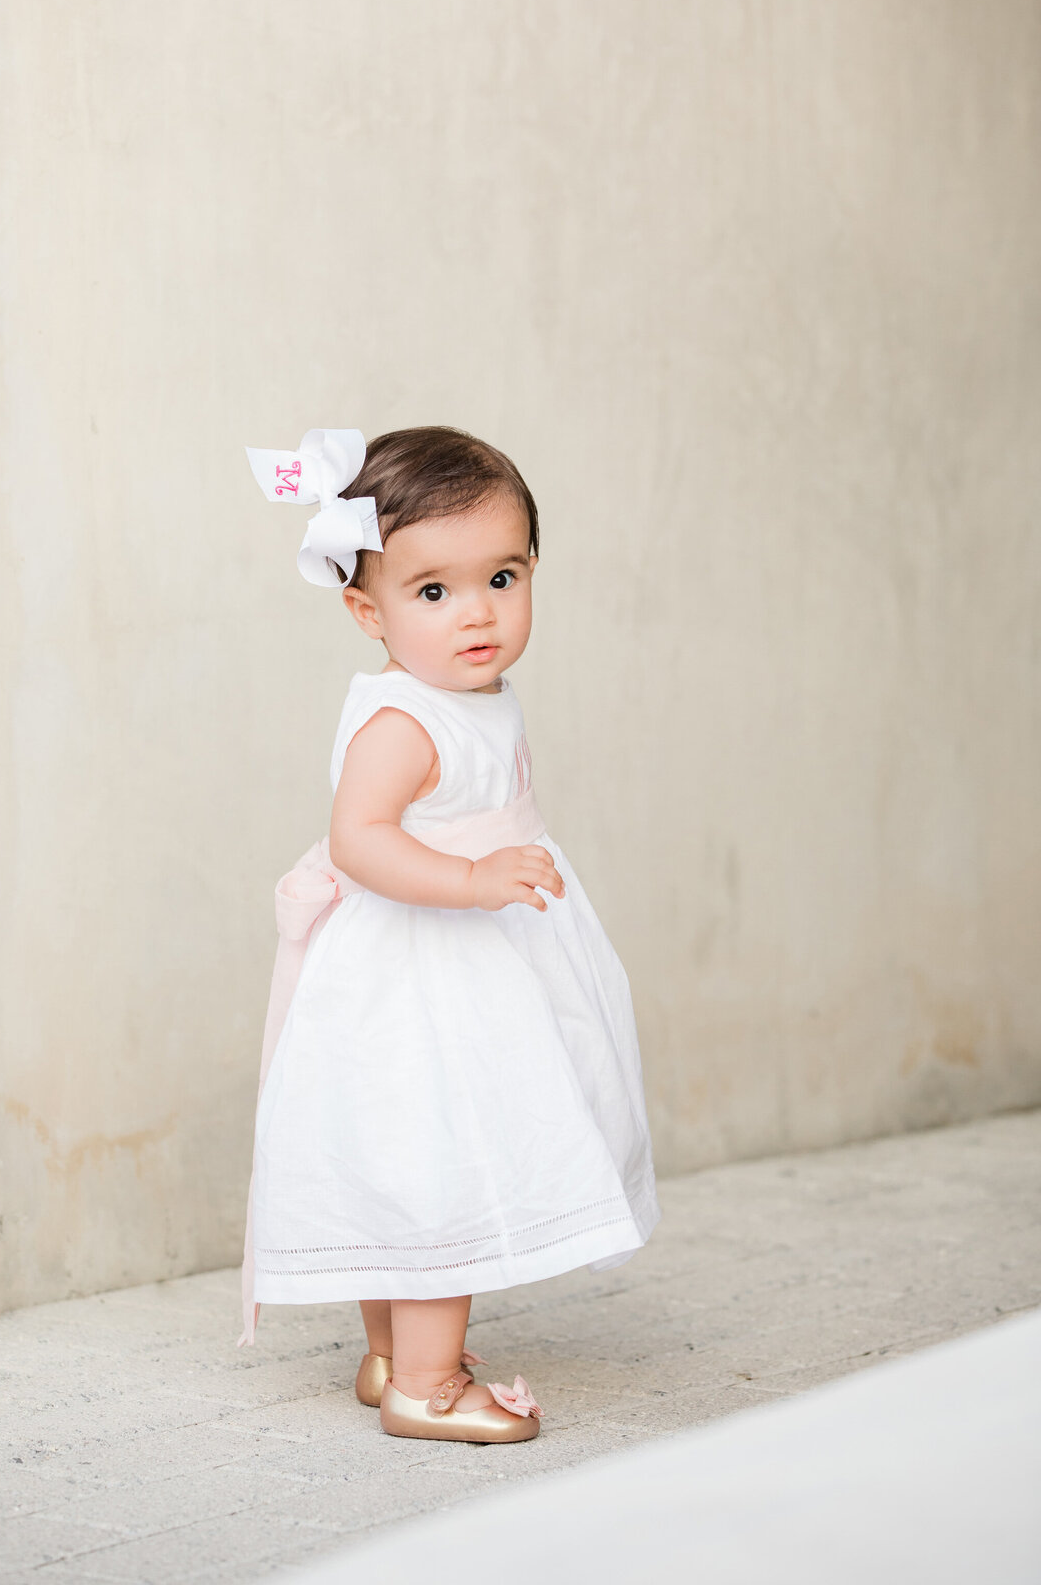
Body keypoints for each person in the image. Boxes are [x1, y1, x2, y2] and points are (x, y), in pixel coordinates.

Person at [238, 425, 660, 1444]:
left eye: (503, 577)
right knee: (445, 1152)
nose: (477, 613)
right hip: (425, 970)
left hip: (482, 953)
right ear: (364, 607)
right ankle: (428, 1385)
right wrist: (471, 877)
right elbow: (360, 839)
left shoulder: (465, 696)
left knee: (417, 1144)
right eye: (434, 591)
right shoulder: (403, 721)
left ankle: (390, 1354)